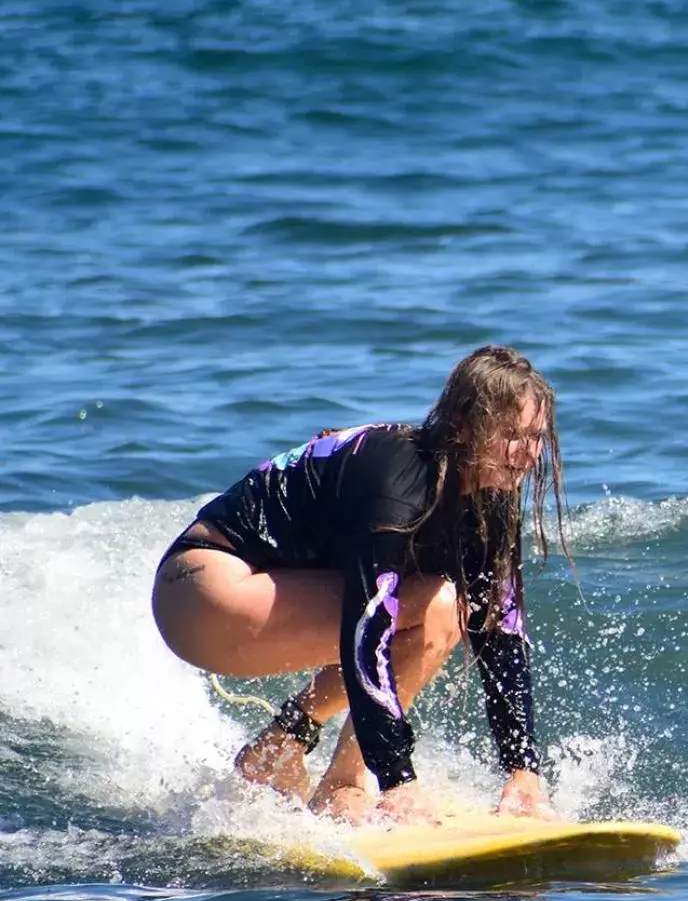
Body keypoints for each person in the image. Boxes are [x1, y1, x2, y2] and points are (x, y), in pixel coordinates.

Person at [152, 345, 565, 826]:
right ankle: (343, 784)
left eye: (535, 437)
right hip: (203, 591)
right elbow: (365, 633)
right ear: (465, 425)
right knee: (436, 604)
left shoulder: (490, 497)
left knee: (449, 604)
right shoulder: (399, 479)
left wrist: (523, 770)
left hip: (269, 590)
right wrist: (398, 781)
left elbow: (501, 630)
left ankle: (280, 746)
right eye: (511, 435)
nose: (527, 453)